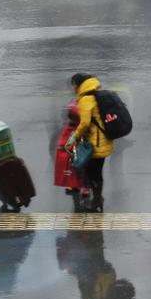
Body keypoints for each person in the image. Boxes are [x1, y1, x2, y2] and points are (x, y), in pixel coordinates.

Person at [66, 74, 114, 212]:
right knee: (96, 172)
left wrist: (74, 137)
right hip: (103, 140)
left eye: (74, 84)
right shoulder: (95, 95)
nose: (73, 87)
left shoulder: (86, 99)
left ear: (80, 84)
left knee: (94, 173)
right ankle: (97, 198)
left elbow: (85, 123)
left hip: (95, 143)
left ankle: (97, 200)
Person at [54, 99, 90, 211]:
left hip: (72, 154)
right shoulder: (83, 127)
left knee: (76, 167)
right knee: (85, 167)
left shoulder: (69, 128)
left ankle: (75, 185)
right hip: (82, 153)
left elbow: (64, 143)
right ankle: (84, 187)